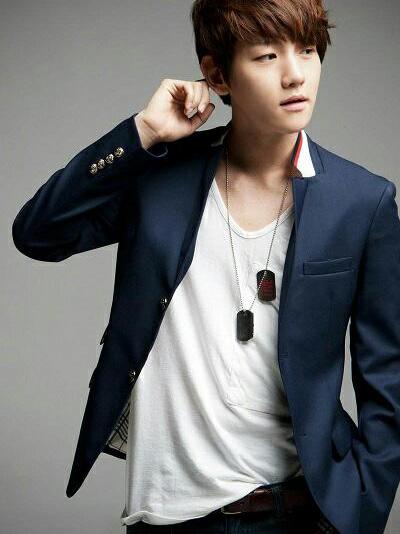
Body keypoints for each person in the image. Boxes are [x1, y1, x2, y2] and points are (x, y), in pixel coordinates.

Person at [11, 1, 400, 533]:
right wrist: (142, 133)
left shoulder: (361, 201)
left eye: (307, 50)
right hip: (164, 514)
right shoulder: (159, 176)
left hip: (293, 511)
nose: (295, 74)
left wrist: (364, 508)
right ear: (217, 75)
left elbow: (387, 373)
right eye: (267, 56)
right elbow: (38, 233)